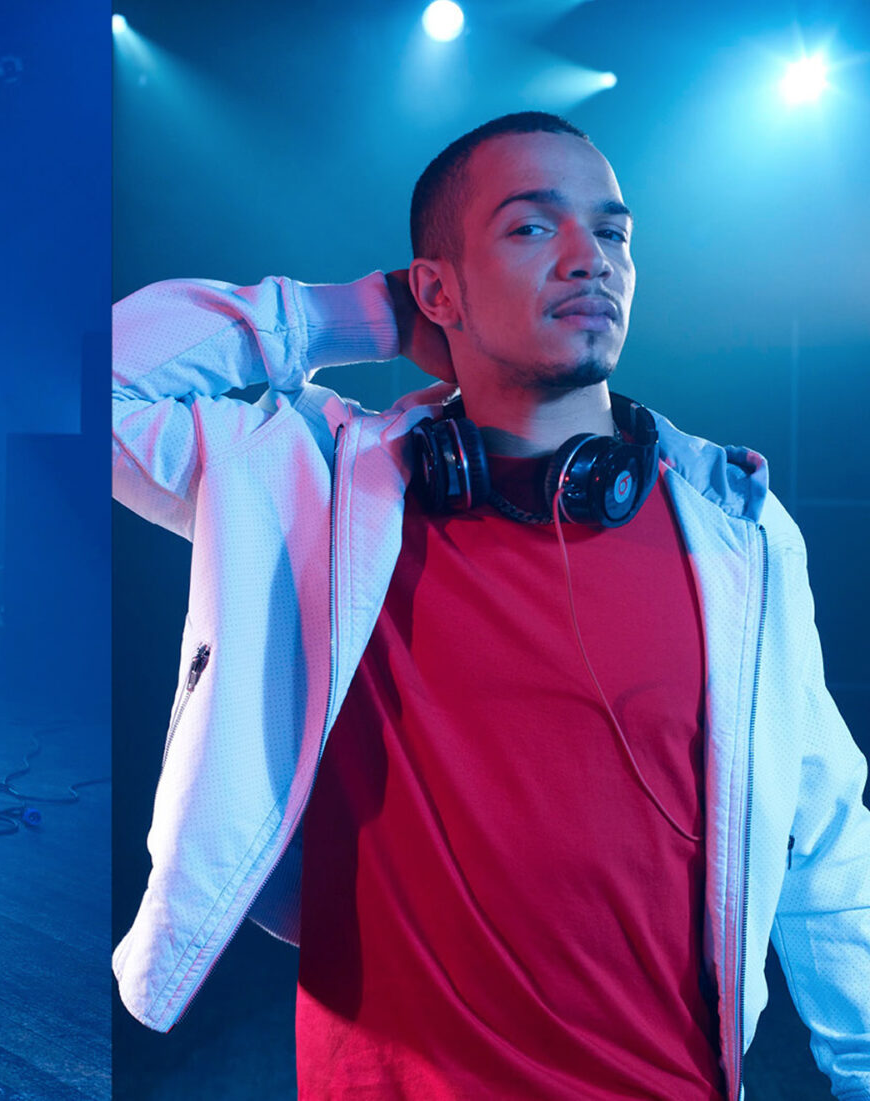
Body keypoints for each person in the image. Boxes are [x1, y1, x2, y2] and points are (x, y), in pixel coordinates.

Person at [111, 112, 870, 1097]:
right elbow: (102, 378)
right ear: (435, 285)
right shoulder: (314, 490)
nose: (587, 259)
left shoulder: (737, 535)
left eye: (610, 232)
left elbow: (824, 840)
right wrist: (368, 313)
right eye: (529, 228)